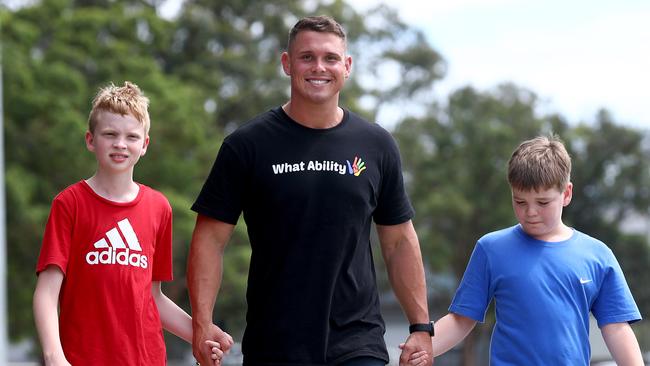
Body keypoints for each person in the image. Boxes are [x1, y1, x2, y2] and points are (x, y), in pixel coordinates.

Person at [187, 15, 433, 366]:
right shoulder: (247, 145)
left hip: (357, 342)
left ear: (346, 66)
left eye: (330, 58)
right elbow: (210, 239)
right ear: (287, 63)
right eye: (307, 57)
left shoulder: (377, 145)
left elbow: (398, 242)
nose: (319, 67)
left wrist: (421, 326)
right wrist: (203, 323)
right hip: (274, 344)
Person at [407, 135, 644, 365]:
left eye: (542, 202)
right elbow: (461, 320)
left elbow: (616, 328)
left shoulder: (598, 255)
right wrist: (422, 346)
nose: (530, 212)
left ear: (567, 194)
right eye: (520, 201)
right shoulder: (491, 249)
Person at [33, 81, 223, 365]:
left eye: (131, 137)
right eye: (110, 134)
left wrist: (201, 335)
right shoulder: (69, 204)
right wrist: (54, 356)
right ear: (90, 140)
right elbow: (47, 293)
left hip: (146, 359)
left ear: (144, 144)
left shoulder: (159, 208)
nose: (120, 144)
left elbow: (153, 298)